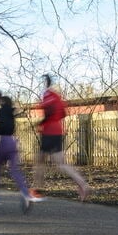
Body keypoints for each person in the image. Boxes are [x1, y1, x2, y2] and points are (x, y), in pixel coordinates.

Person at [30, 74, 90, 202]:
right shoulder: (57, 96)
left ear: (44, 83)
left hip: (48, 132)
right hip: (58, 130)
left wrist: (41, 123)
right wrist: (54, 120)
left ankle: (38, 191)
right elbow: (63, 112)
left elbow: (49, 111)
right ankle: (82, 184)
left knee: (40, 161)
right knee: (61, 164)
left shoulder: (47, 95)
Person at [0, 91, 33, 213]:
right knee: (15, 170)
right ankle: (26, 193)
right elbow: (16, 114)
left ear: (2, 101)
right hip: (13, 141)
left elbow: (3, 127)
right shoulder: (11, 110)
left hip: (4, 142)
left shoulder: (2, 111)